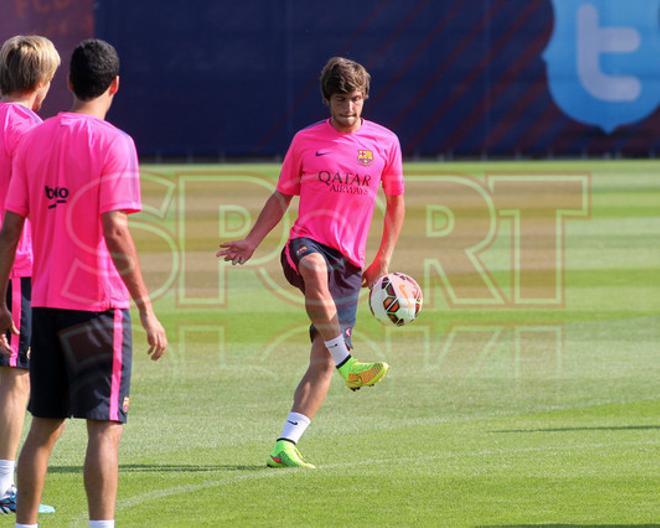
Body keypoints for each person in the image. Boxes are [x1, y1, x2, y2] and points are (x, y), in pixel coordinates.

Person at [0, 39, 168, 528]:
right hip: (99, 303)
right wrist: (146, 307)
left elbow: (11, 228)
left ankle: (25, 525)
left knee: (42, 427)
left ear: (69, 82)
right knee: (104, 429)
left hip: (46, 300)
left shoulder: (35, 138)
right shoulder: (115, 143)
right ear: (115, 85)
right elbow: (115, 229)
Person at [218, 56, 405, 468]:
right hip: (306, 243)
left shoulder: (385, 143)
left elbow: (396, 202)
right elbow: (282, 195)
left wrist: (383, 259)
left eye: (356, 99)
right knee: (314, 271)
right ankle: (349, 362)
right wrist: (252, 240)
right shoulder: (306, 140)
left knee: (320, 362)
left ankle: (286, 443)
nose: (349, 107)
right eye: (341, 99)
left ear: (365, 97)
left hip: (351, 263)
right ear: (327, 99)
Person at [0, 35, 60, 515]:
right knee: (16, 376)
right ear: (42, 82)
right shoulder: (32, 131)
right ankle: (2, 484)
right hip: (16, 264)